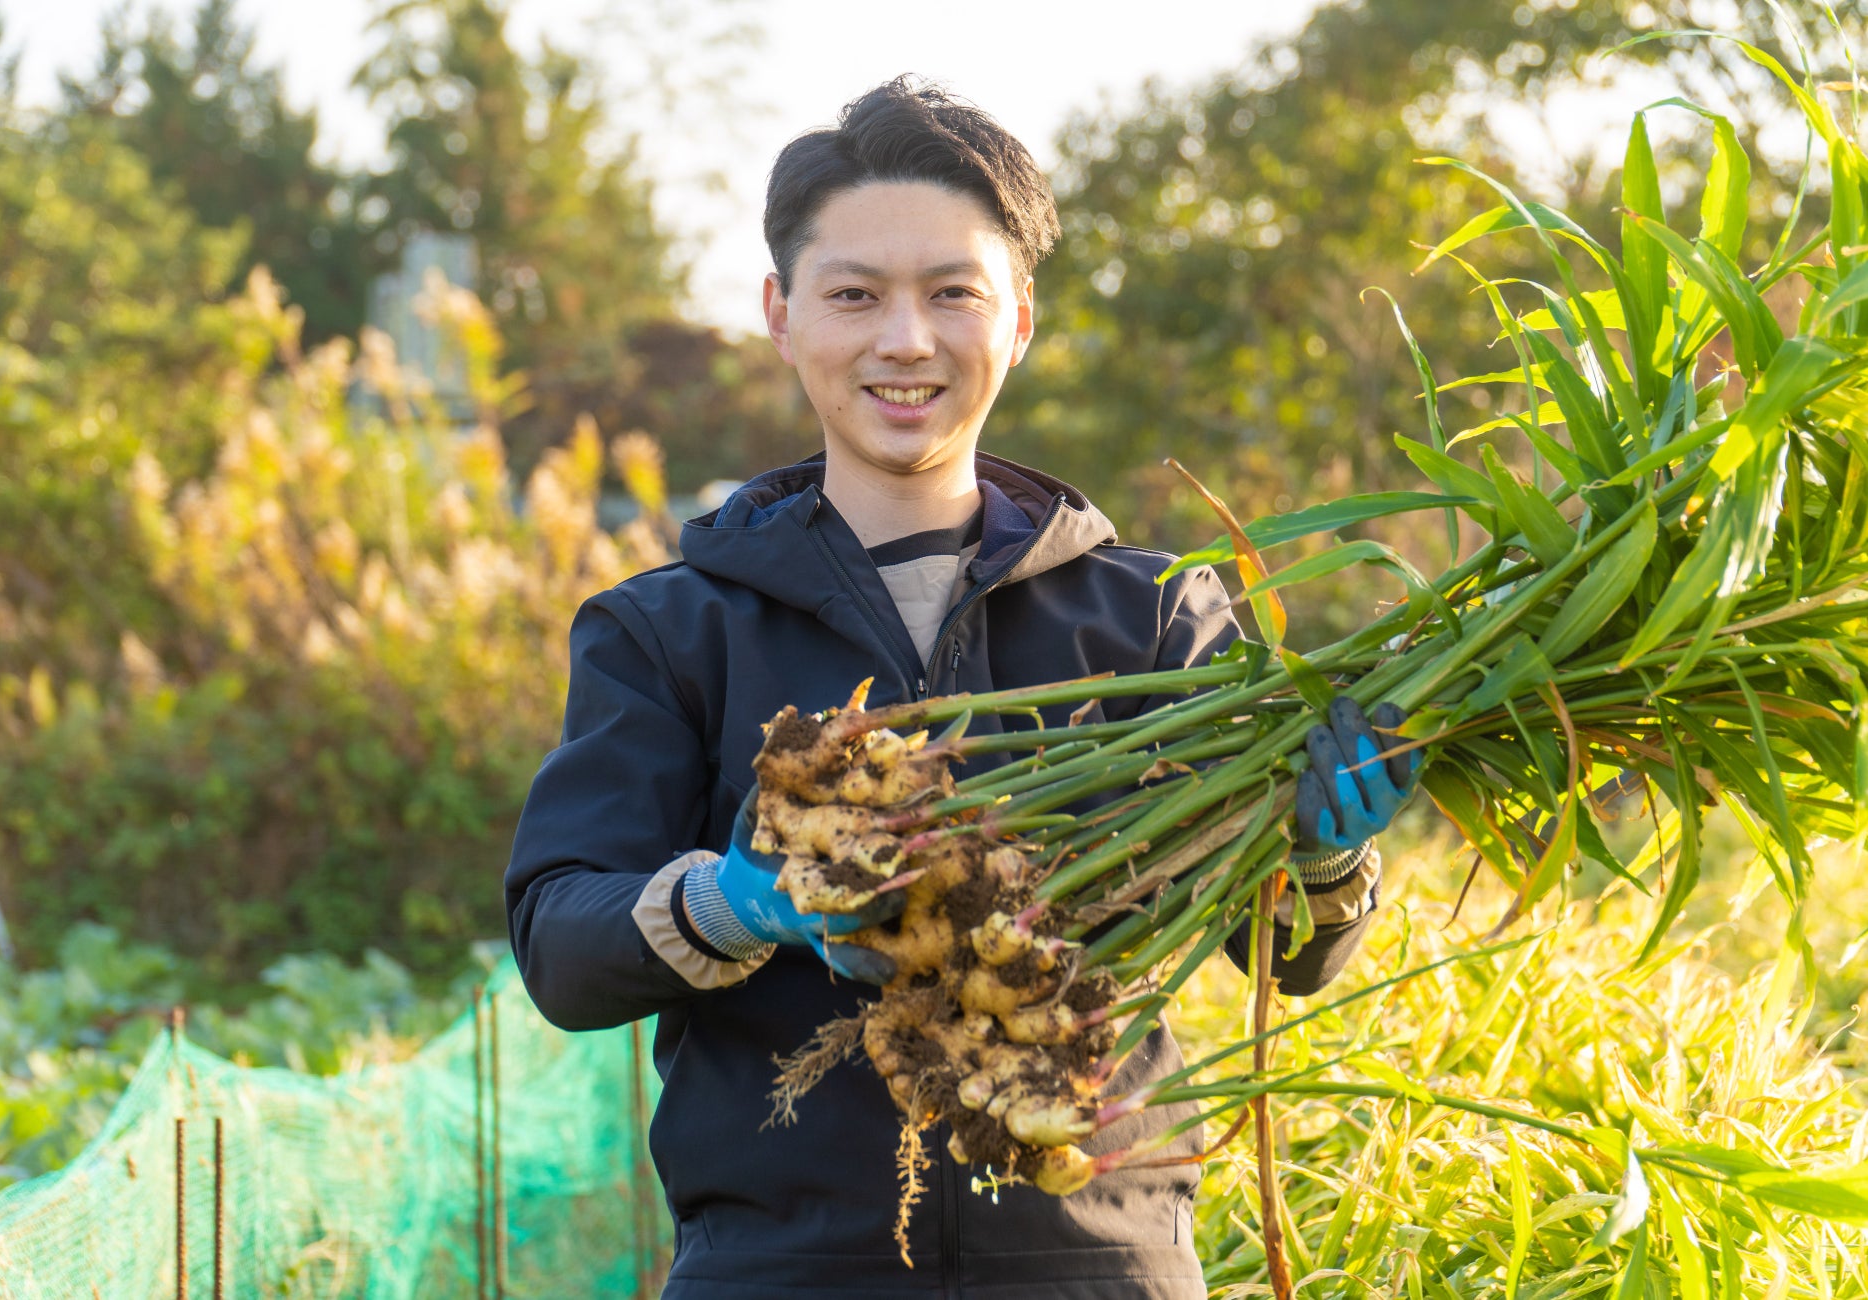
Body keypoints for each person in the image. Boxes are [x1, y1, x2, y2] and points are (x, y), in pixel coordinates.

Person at [505, 76, 1419, 1300]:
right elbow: (561, 946)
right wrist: (733, 906)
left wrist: (1319, 856)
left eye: (952, 294)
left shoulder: (1156, 615)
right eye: (854, 296)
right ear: (781, 314)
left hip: (1101, 1265)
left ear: (1020, 317)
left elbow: (1288, 954)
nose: (906, 339)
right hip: (785, 1272)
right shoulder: (671, 629)